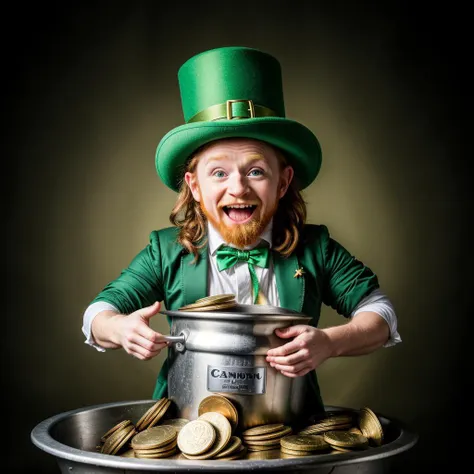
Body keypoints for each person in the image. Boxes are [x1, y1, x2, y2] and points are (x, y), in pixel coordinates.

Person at [82, 46, 401, 417]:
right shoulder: (165, 251)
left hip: (290, 428)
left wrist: (330, 342)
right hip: (186, 430)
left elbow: (380, 314)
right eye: (219, 173)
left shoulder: (317, 249)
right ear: (195, 187)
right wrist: (121, 329)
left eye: (255, 171)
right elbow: (97, 314)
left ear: (282, 183)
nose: (238, 188)